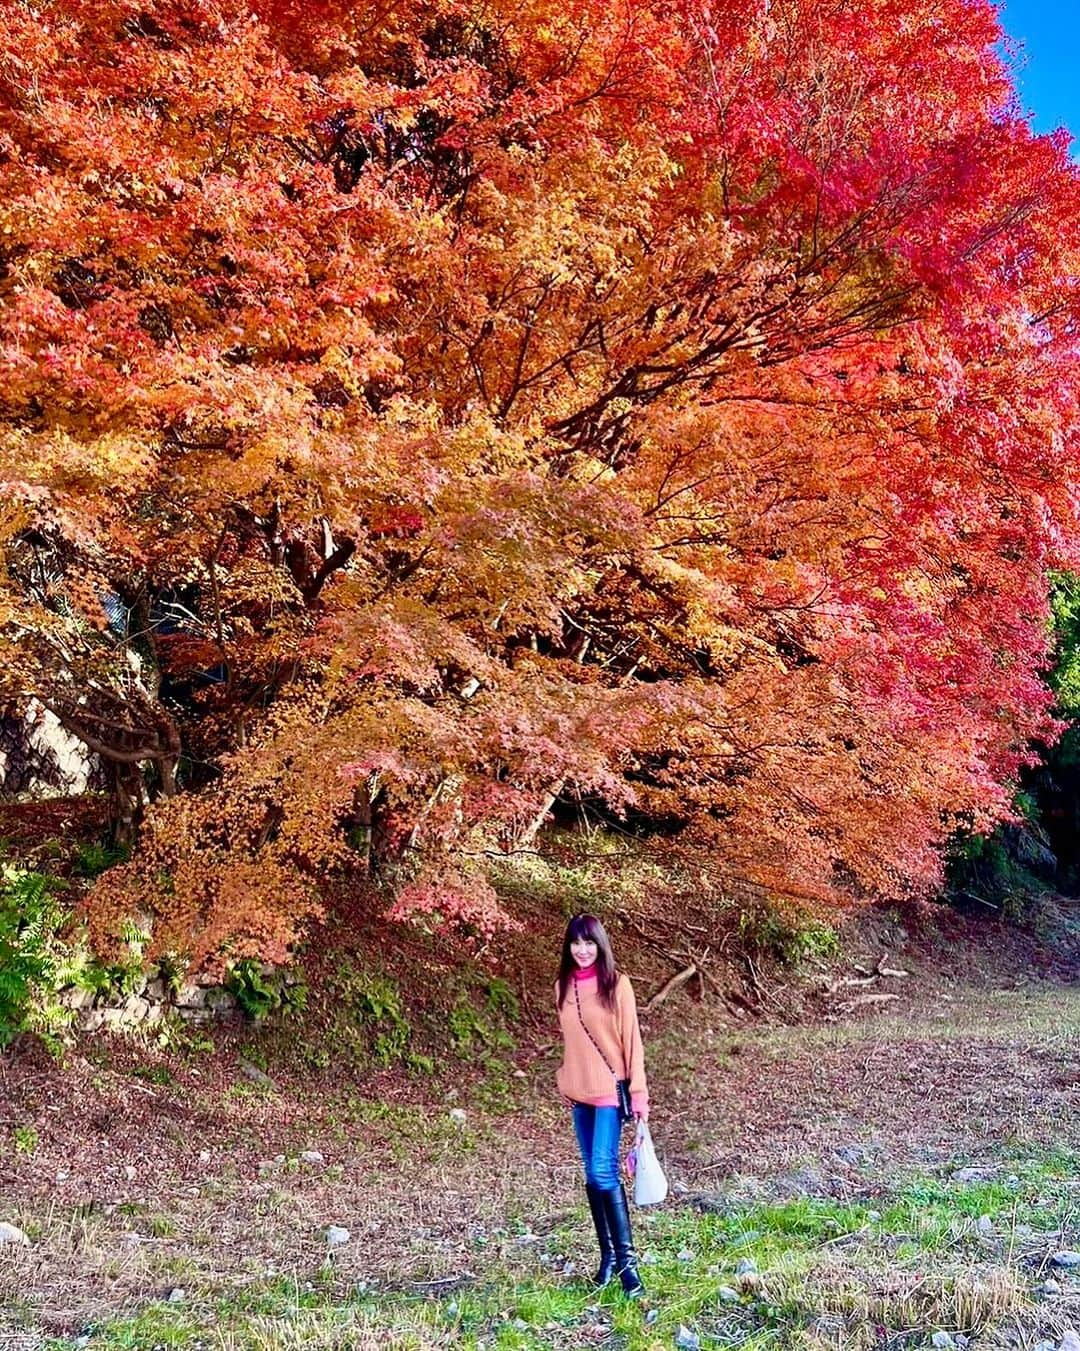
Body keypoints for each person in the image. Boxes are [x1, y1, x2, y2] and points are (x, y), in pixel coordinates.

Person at [555, 912, 648, 1296]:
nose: (582, 950)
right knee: (594, 1176)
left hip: (610, 1092)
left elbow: (632, 1041)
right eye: (576, 943)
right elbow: (571, 1040)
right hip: (579, 1095)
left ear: (600, 945)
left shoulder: (617, 984)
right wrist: (564, 1078)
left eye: (589, 942)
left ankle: (628, 1266)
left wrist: (639, 1092)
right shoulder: (562, 985)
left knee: (601, 1173)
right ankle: (607, 1257)